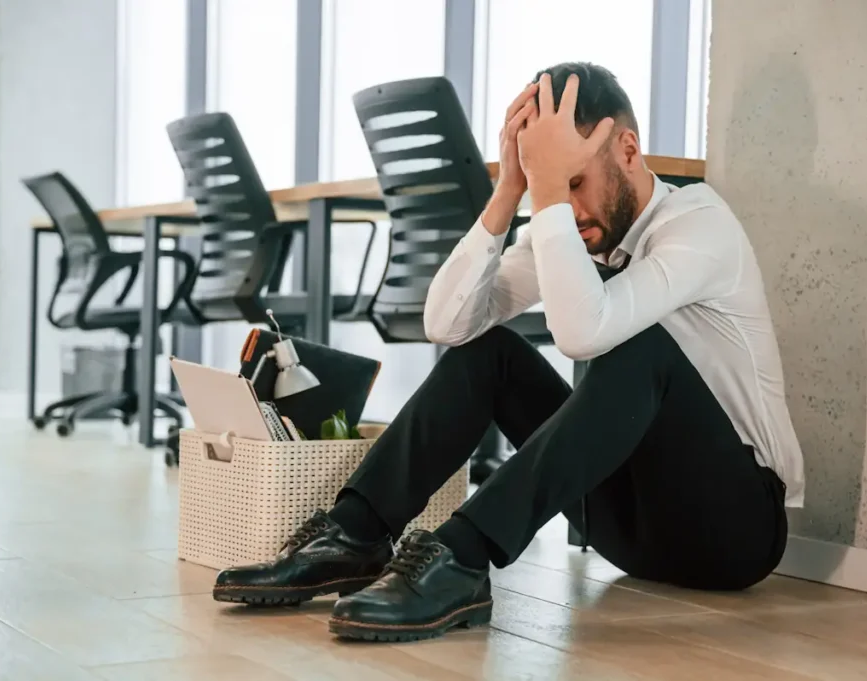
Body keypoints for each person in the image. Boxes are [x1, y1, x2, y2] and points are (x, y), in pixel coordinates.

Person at [211, 62, 804, 643]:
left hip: (735, 532)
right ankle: (354, 536)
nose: (566, 208)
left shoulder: (699, 226)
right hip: (629, 533)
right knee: (489, 351)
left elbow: (582, 333)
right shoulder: (572, 227)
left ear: (627, 149)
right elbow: (447, 324)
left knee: (638, 346)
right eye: (553, 186)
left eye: (575, 182)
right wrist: (508, 193)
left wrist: (546, 196)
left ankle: (462, 557)